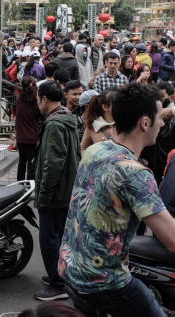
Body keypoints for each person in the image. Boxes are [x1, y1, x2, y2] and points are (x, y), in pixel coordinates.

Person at [59, 82, 175, 317]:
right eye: (159, 118)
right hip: (104, 282)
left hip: (69, 267)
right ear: (145, 123)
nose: (162, 123)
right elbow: (172, 240)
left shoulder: (95, 150)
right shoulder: (136, 173)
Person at [34, 80, 79, 301]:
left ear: (43, 99)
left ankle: (57, 285)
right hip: (66, 190)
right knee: (60, 238)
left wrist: (44, 195)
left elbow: (52, 164)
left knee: (49, 239)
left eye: (37, 99)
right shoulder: (67, 118)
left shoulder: (54, 124)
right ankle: (59, 274)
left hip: (56, 193)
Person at [15, 76, 40, 180]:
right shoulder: (37, 102)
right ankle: (30, 186)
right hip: (33, 137)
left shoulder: (18, 99)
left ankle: (19, 184)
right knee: (32, 163)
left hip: (21, 136)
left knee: (22, 161)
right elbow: (40, 116)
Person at [80, 88, 117, 155]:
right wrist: (91, 162)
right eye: (116, 104)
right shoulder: (92, 125)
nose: (120, 107)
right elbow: (83, 148)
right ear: (105, 107)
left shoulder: (125, 124)